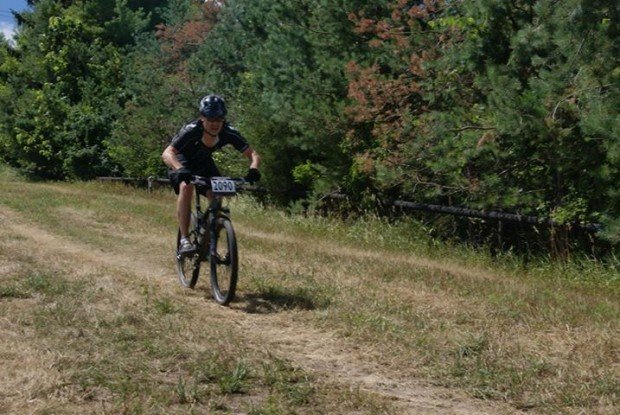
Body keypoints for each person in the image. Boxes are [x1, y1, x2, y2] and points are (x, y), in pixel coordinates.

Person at [162, 94, 261, 254]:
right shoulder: (192, 130)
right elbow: (167, 153)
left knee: (217, 193)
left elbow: (253, 154)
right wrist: (180, 169)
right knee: (186, 186)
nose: (215, 124)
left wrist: (253, 169)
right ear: (202, 118)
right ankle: (185, 239)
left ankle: (209, 237)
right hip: (181, 160)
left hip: (203, 162)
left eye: (219, 119)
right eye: (211, 119)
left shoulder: (228, 132)